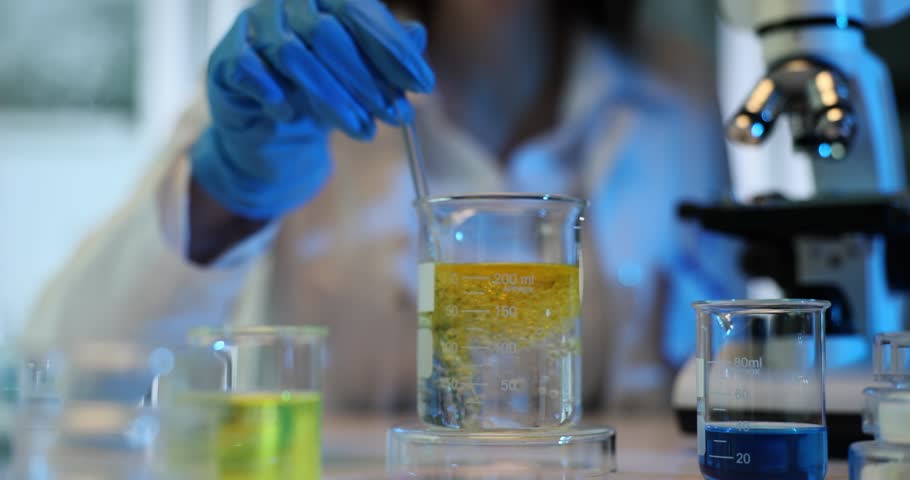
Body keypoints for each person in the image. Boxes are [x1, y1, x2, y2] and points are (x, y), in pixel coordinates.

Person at [26, 0, 742, 412]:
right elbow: (67, 374)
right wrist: (228, 195)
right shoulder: (300, 75)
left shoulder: (675, 90)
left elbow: (722, 364)